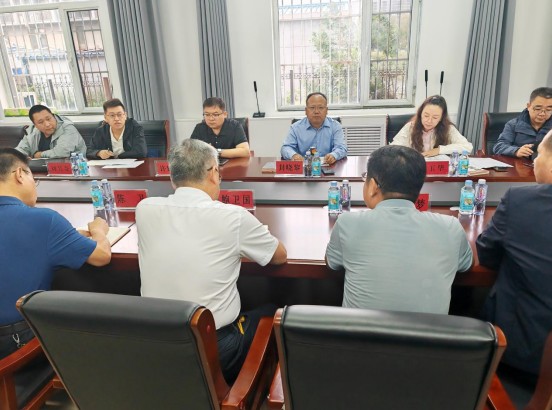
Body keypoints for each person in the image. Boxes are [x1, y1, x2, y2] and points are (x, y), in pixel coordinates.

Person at [136, 139, 287, 383]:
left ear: (172, 179)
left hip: (157, 345)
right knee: (271, 311)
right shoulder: (233, 217)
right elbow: (279, 256)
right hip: (215, 350)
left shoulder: (144, 209)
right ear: (214, 173)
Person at [326, 145, 473, 314]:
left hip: (360, 331)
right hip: (430, 332)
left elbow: (332, 263)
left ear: (373, 186)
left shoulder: (348, 223)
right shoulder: (451, 227)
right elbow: (466, 266)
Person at [0, 148, 111, 359]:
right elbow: (101, 256)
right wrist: (98, 231)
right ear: (20, 174)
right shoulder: (44, 220)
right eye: (34, 179)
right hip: (17, 346)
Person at [477, 129, 552, 376]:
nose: (535, 161)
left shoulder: (520, 201)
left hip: (520, 351)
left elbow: (487, 253)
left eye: (539, 155)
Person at [390, 95, 473, 156]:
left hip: (438, 170)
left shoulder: (448, 129)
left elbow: (467, 147)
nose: (429, 121)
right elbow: (393, 148)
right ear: (420, 113)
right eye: (426, 115)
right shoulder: (410, 127)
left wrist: (439, 150)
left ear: (441, 118)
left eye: (435, 117)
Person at [280, 92, 347, 165]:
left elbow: (341, 148)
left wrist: (334, 155)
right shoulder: (296, 128)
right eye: (312, 108)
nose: (316, 111)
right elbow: (285, 148)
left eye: (321, 108)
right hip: (305, 167)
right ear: (306, 111)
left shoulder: (335, 126)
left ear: (326, 110)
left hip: (329, 167)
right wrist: (294, 155)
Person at [493, 87, 552, 158]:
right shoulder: (513, 125)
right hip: (519, 163)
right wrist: (516, 151)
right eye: (538, 109)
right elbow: (499, 146)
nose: (542, 114)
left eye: (548, 110)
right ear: (528, 106)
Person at [15, 104, 87, 159]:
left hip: (72, 167)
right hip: (41, 169)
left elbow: (62, 152)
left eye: (48, 119)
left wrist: (40, 155)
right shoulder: (31, 131)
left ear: (53, 116)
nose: (47, 124)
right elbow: (21, 150)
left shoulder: (67, 127)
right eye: (41, 122)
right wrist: (21, 157)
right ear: (35, 125)